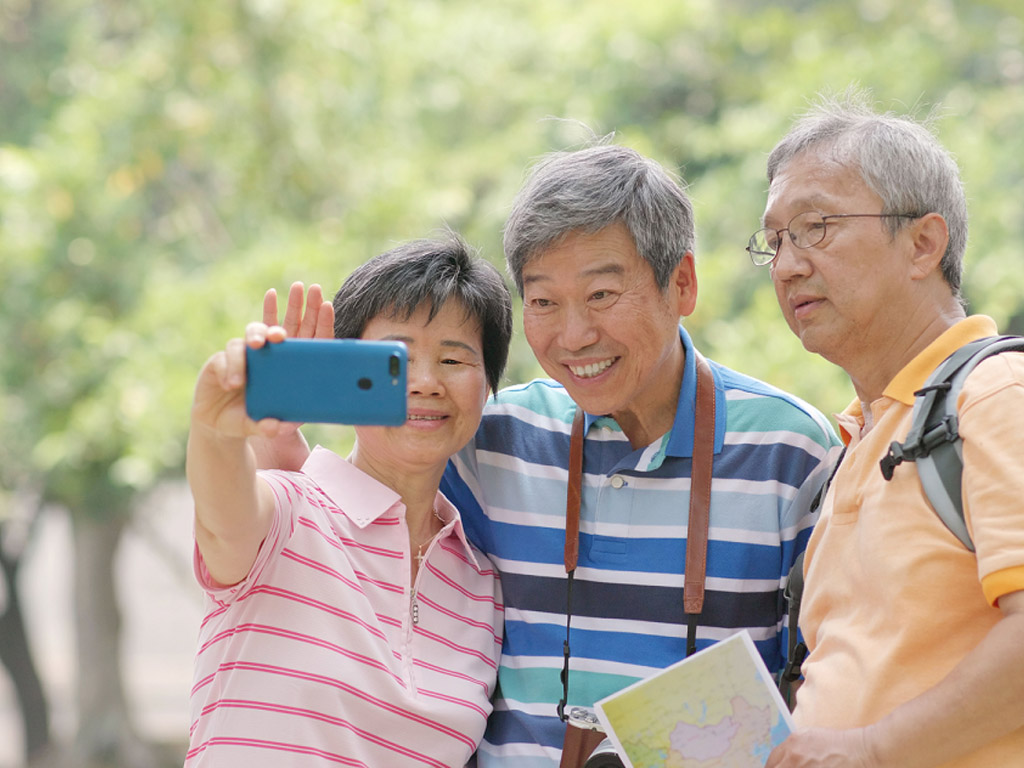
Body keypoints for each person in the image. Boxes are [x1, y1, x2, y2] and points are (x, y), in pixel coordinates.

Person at [260, 144, 840, 767]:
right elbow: (345, 529)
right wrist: (277, 437)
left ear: (683, 283)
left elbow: (833, 675)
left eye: (601, 295)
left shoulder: (790, 452)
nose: (574, 335)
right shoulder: (491, 437)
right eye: (542, 302)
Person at [756, 92, 1024, 768]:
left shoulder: (994, 398)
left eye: (816, 227)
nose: (787, 265)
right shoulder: (849, 447)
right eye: (777, 240)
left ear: (923, 244)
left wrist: (875, 749)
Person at [185, 234, 513, 766]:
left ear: (488, 387)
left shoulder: (482, 586)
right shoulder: (289, 510)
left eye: (454, 359)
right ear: (345, 371)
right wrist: (218, 430)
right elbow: (224, 519)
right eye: (395, 359)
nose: (426, 382)